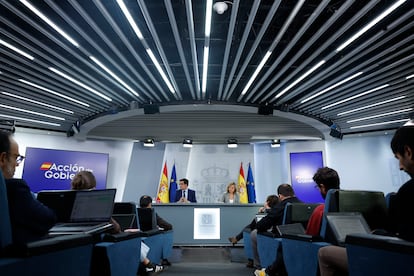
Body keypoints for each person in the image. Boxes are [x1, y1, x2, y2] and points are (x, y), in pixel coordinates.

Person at [318, 126, 414, 276]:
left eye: (399, 158)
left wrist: (378, 234)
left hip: (402, 264)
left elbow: (405, 240)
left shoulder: (408, 192)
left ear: (408, 152)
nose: (400, 166)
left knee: (325, 253)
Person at [71, 171, 164, 275]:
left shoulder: (68, 203)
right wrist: (125, 232)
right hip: (98, 245)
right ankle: (148, 265)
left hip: (74, 245)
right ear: (93, 187)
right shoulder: (96, 204)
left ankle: (148, 265)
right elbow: (115, 228)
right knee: (132, 238)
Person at [255, 167, 340, 276]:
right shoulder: (350, 205)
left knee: (286, 242)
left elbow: (310, 235)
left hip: (314, 250)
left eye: (317, 187)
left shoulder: (320, 210)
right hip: (341, 248)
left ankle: (268, 272)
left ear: (323, 187)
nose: (318, 190)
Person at [0, 130, 56, 245]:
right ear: (3, 158)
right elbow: (47, 219)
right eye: (16, 157)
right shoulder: (15, 189)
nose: (17, 163)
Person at [251, 184, 302, 268]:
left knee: (254, 233)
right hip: (301, 238)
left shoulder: (279, 207)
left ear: (280, 196)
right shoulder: (302, 204)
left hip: (280, 237)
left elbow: (261, 225)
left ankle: (259, 265)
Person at [228, 194, 279, 268]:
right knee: (248, 227)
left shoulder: (267, 212)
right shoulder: (277, 211)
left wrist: (260, 213)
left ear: (267, 202)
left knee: (249, 228)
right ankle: (236, 238)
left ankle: (236, 239)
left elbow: (255, 224)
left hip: (265, 233)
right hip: (270, 232)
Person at [140, 195, 173, 266]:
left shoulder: (136, 212)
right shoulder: (152, 213)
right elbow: (168, 226)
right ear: (150, 204)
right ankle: (164, 258)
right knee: (167, 232)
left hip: (139, 237)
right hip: (152, 236)